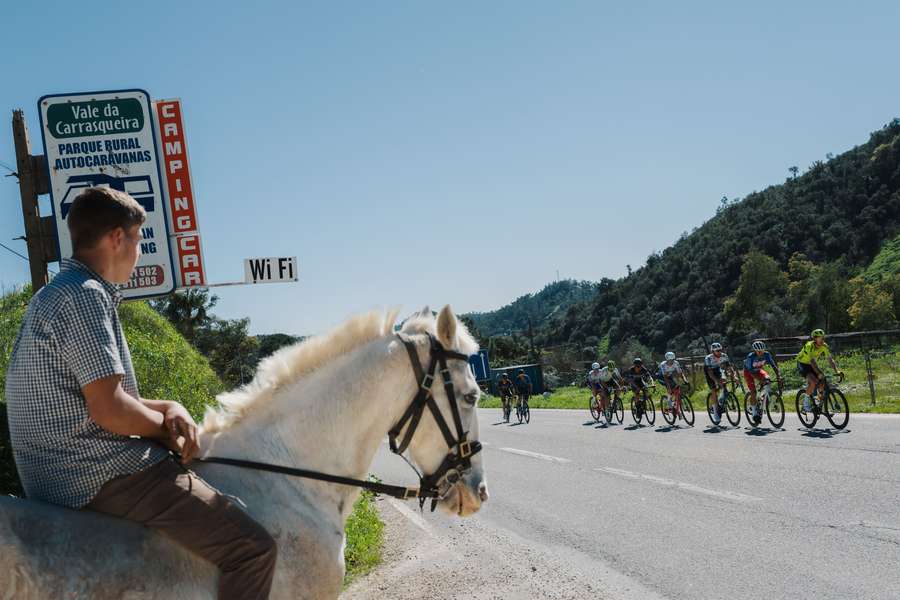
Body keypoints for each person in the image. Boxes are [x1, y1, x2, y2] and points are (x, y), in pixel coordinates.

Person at [4, 187, 277, 600]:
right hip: (91, 473)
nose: (139, 252)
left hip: (56, 469)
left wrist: (168, 407)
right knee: (252, 549)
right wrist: (166, 431)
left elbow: (101, 393)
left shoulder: (59, 292)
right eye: (138, 240)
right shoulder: (86, 297)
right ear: (117, 238)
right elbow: (110, 410)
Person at [797, 329, 843, 413]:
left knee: (822, 384)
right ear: (814, 339)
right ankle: (805, 404)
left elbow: (830, 360)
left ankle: (820, 405)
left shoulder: (824, 346)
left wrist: (837, 371)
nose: (822, 339)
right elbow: (812, 362)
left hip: (811, 365)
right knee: (814, 382)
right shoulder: (809, 345)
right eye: (820, 338)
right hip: (803, 364)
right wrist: (819, 373)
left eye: (823, 337)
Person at [743, 340, 783, 425]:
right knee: (753, 392)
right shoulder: (751, 356)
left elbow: (773, 366)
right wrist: (760, 380)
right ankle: (754, 413)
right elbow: (751, 372)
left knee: (767, 380)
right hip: (749, 372)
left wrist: (778, 375)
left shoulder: (767, 354)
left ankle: (762, 398)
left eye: (762, 351)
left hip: (758, 370)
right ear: (755, 351)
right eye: (758, 351)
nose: (761, 353)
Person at [704, 342, 731, 423]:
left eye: (720, 350)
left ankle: (721, 400)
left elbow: (728, 367)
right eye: (717, 351)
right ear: (713, 351)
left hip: (717, 369)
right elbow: (711, 374)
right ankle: (715, 411)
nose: (719, 352)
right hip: (709, 372)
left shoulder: (724, 356)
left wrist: (734, 376)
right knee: (714, 389)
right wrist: (717, 381)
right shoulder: (708, 358)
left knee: (724, 384)